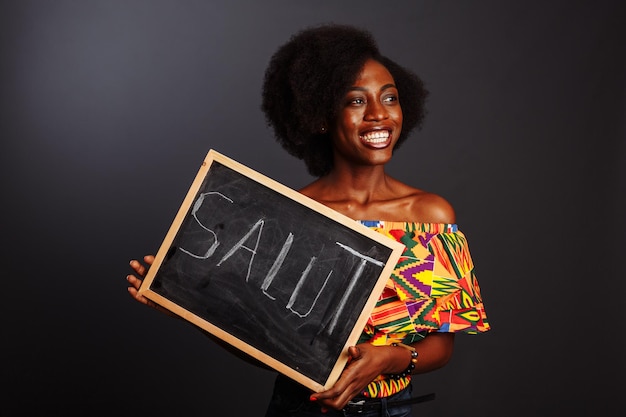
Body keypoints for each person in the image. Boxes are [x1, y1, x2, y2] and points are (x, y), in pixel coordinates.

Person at [127, 24, 490, 417]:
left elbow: (442, 347)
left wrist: (390, 359)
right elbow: (270, 345)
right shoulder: (292, 214)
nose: (378, 115)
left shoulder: (431, 217)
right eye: (356, 102)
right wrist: (191, 307)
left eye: (390, 98)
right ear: (320, 116)